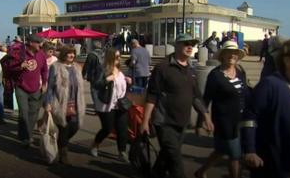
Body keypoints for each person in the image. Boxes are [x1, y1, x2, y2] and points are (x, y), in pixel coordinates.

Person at [140, 34, 214, 178]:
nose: (190, 47)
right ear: (177, 46)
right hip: (164, 123)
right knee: (176, 163)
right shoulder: (163, 68)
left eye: (192, 44)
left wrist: (206, 116)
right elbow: (152, 96)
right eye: (186, 43)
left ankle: (155, 174)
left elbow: (196, 97)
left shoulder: (191, 70)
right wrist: (145, 121)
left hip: (182, 123)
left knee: (166, 157)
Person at [241, 36, 290, 178]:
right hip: (273, 166)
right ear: (287, 60)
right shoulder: (270, 85)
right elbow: (249, 116)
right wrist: (250, 150)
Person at [195, 41, 248, 178]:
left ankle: (201, 172)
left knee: (221, 150)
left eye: (235, 53)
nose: (232, 55)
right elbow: (205, 99)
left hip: (241, 119)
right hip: (224, 121)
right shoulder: (215, 75)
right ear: (222, 56)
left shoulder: (240, 71)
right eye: (228, 53)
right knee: (235, 155)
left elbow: (245, 92)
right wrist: (201, 122)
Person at [44, 45, 85, 165]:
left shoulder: (77, 67)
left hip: (75, 103)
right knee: (64, 128)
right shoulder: (55, 67)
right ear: (64, 54)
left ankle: (61, 144)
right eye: (69, 53)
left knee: (75, 126)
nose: (72, 55)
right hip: (60, 103)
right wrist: (48, 103)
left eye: (73, 53)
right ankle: (63, 155)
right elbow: (50, 87)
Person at [89, 48, 132, 162]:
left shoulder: (120, 70)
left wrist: (127, 81)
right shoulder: (102, 69)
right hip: (107, 104)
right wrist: (107, 79)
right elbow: (96, 85)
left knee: (122, 129)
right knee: (107, 128)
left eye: (119, 57)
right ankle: (95, 144)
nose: (119, 59)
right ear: (110, 58)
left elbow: (121, 88)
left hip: (120, 104)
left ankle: (122, 152)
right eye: (117, 57)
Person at [7, 35, 48, 147]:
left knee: (34, 113)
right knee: (24, 112)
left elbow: (45, 70)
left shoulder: (41, 55)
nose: (40, 45)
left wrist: (44, 83)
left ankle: (26, 135)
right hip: (21, 87)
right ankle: (26, 138)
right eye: (38, 42)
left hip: (36, 88)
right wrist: (20, 66)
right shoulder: (19, 53)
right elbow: (9, 67)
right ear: (30, 43)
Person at [82, 40, 103, 105]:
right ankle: (100, 103)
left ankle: (96, 105)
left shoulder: (91, 55)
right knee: (101, 90)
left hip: (94, 76)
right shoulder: (104, 53)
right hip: (103, 75)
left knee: (93, 90)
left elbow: (86, 66)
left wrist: (83, 74)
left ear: (93, 47)